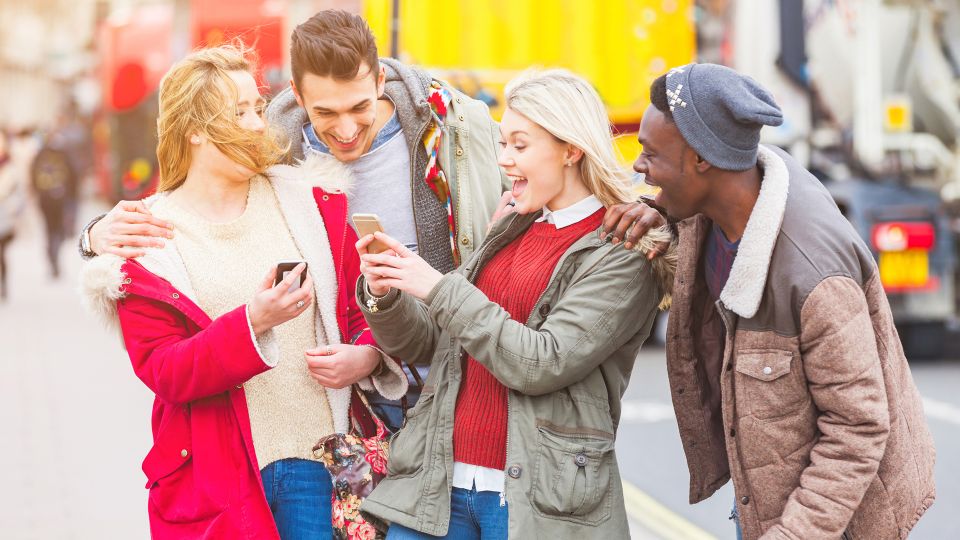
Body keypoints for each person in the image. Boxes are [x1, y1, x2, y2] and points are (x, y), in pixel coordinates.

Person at [77, 9, 663, 431]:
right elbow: (193, 196)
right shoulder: (273, 149)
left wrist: (635, 210)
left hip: (453, 384)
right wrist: (94, 237)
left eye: (360, 106)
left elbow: (547, 188)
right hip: (329, 406)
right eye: (325, 113)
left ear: (380, 79)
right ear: (298, 97)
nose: (348, 129)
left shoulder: (451, 129)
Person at [79, 44, 407, 539]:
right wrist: (252, 323)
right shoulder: (146, 236)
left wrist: (365, 357)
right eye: (239, 112)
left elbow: (359, 313)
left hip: (318, 467)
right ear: (192, 128)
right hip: (215, 476)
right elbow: (166, 371)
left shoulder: (312, 202)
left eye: (258, 107)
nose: (258, 124)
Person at [353, 69, 676, 540]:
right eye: (503, 144)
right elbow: (429, 343)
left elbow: (542, 362)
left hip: (532, 505)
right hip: (439, 487)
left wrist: (440, 288)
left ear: (571, 149)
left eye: (520, 146)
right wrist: (387, 292)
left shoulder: (621, 251)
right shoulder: (513, 225)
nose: (504, 160)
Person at [630, 63, 935, 539]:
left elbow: (857, 431)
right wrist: (658, 211)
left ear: (702, 159)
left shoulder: (814, 275)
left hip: (830, 522)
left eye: (651, 154)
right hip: (767, 501)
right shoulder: (728, 192)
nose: (638, 166)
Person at [31, 129, 79, 278]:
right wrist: (73, 197)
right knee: (58, 230)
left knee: (50, 229)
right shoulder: (63, 155)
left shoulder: (40, 155)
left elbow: (32, 175)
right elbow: (73, 177)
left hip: (46, 200)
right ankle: (54, 254)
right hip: (59, 199)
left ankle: (52, 255)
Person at [0, 130, 27, 300]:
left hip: (4, 217)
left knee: (1, 252)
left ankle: (3, 283)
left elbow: (19, 195)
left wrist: (13, 210)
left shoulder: (10, 168)